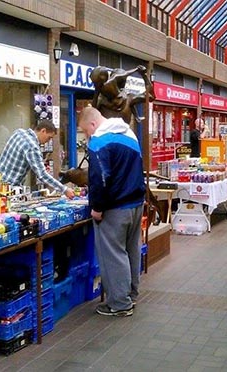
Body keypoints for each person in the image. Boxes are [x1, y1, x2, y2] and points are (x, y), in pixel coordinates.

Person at [77, 106, 145, 317]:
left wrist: (97, 207)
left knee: (113, 254)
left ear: (92, 124)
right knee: (131, 250)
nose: (87, 136)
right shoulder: (129, 133)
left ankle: (120, 303)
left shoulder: (99, 140)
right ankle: (131, 294)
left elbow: (100, 178)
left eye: (85, 131)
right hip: (135, 202)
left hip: (115, 208)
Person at [0, 120, 75, 199]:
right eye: (49, 138)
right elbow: (42, 175)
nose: (48, 141)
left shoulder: (18, 132)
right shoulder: (32, 147)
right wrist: (64, 189)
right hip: (6, 192)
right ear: (43, 131)